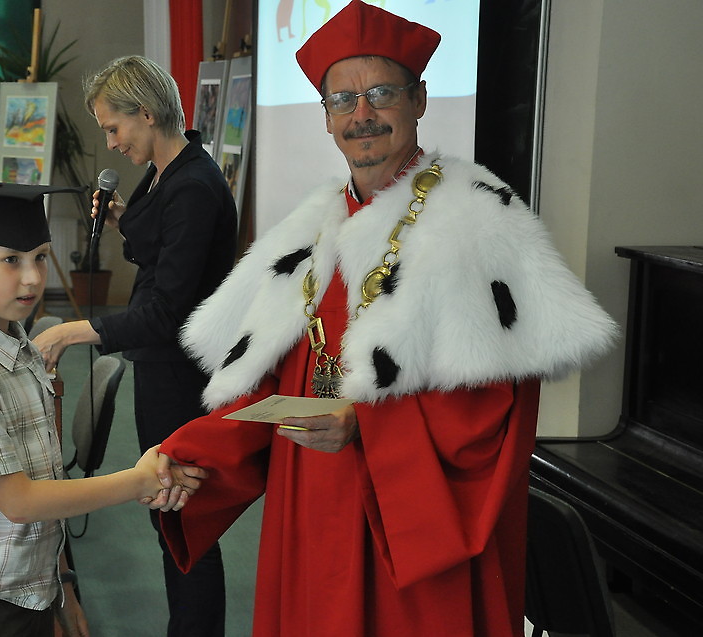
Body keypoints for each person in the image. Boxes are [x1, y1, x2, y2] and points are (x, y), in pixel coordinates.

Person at [153, 2, 619, 636]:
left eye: (380, 93)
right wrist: (183, 456)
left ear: (419, 99)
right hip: (312, 501)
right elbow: (274, 384)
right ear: (326, 118)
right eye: (342, 100)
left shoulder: (476, 218)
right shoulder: (310, 233)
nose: (362, 114)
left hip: (410, 526)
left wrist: (368, 424)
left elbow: (497, 407)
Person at [0, 181, 205, 637]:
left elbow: (44, 478)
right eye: (11, 260)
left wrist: (64, 585)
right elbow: (20, 502)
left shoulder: (18, 345)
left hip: (25, 588)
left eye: (40, 257)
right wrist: (140, 480)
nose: (32, 278)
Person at [31, 56, 237, 637]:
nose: (111, 143)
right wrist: (125, 218)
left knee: (184, 519)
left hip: (181, 374)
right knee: (169, 517)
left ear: (146, 113)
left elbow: (166, 312)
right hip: (162, 369)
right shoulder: (167, 172)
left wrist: (72, 331)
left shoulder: (193, 186)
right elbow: (161, 250)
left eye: (113, 127)